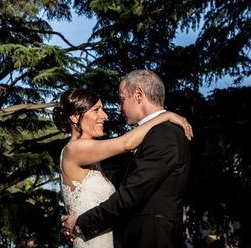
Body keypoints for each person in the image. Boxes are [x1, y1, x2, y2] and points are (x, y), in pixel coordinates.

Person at [61, 69, 192, 248]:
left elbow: (131, 195)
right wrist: (166, 115)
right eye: (97, 110)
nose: (109, 114)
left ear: (138, 95)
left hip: (151, 238)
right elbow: (126, 143)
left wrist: (80, 224)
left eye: (121, 100)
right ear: (75, 118)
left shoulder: (163, 134)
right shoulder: (75, 149)